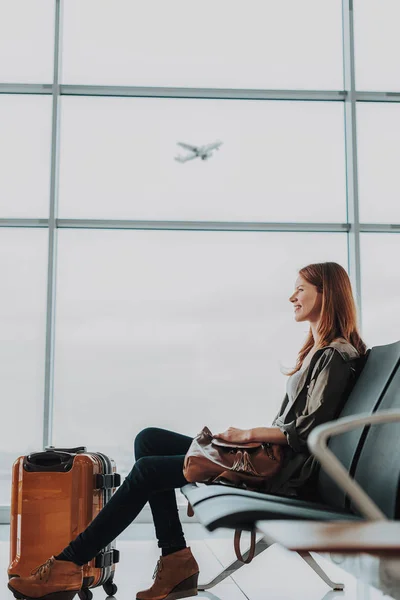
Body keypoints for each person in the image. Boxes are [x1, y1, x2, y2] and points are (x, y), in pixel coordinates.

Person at [8, 262, 367, 600]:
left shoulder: (335, 356)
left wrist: (245, 436)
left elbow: (307, 434)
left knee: (148, 470)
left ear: (326, 294)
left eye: (300, 289)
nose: (292, 297)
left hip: (283, 477)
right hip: (271, 462)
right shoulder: (320, 352)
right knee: (147, 440)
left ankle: (68, 565)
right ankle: (176, 557)